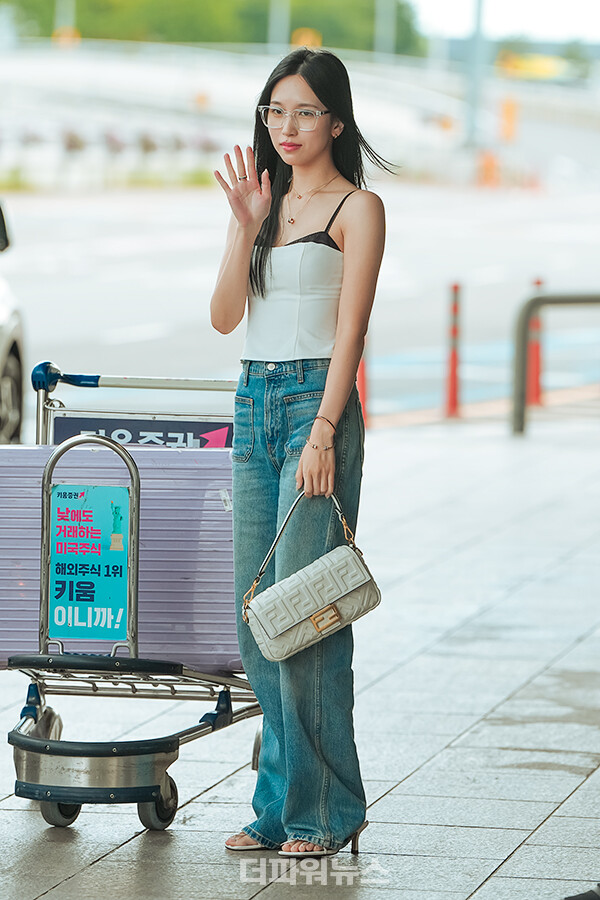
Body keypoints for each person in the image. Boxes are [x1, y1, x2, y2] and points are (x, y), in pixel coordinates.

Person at [210, 46, 388, 858]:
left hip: (316, 406)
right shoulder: (264, 200)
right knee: (258, 617)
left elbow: (351, 333)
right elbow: (224, 317)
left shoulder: (358, 207)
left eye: (305, 111)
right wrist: (243, 225)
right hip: (253, 403)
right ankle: (280, 805)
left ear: (336, 121)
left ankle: (326, 811)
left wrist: (323, 428)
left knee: (305, 613)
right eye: (275, 111)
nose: (287, 126)